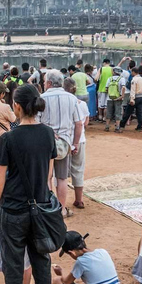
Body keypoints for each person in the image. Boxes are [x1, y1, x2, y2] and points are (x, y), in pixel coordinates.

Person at [0, 84, 56, 284]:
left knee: (14, 265)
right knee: (42, 262)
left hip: (14, 209)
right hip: (41, 208)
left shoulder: (8, 138)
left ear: (16, 106)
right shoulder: (49, 134)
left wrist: (0, 205)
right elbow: (49, 175)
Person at [39, 69, 83, 214]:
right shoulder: (71, 98)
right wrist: (75, 144)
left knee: (47, 177)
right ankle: (62, 209)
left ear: (49, 83)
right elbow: (79, 123)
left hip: (45, 142)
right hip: (65, 143)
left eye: (45, 81)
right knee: (62, 178)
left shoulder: (42, 98)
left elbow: (37, 122)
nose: (44, 84)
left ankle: (48, 208)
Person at [52, 231, 125, 284]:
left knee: (56, 281)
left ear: (72, 252)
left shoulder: (81, 262)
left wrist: (60, 272)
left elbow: (67, 282)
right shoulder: (103, 252)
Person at [63, 79, 89, 210]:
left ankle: (61, 201)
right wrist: (77, 142)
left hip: (65, 140)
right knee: (78, 169)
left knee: (61, 173)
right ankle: (79, 200)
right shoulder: (82, 104)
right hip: (80, 139)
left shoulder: (64, 104)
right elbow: (84, 122)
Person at [119, 65, 142, 132]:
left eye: (131, 72)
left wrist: (132, 99)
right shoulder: (141, 79)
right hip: (141, 97)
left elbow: (133, 90)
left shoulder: (134, 79)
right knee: (139, 113)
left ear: (134, 72)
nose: (131, 73)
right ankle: (140, 126)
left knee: (127, 112)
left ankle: (122, 125)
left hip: (135, 98)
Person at [103, 66, 125, 132]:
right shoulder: (121, 79)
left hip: (109, 98)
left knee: (109, 112)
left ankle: (107, 126)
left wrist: (110, 94)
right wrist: (122, 96)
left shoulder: (109, 79)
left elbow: (106, 88)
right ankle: (117, 127)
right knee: (118, 112)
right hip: (118, 98)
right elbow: (123, 88)